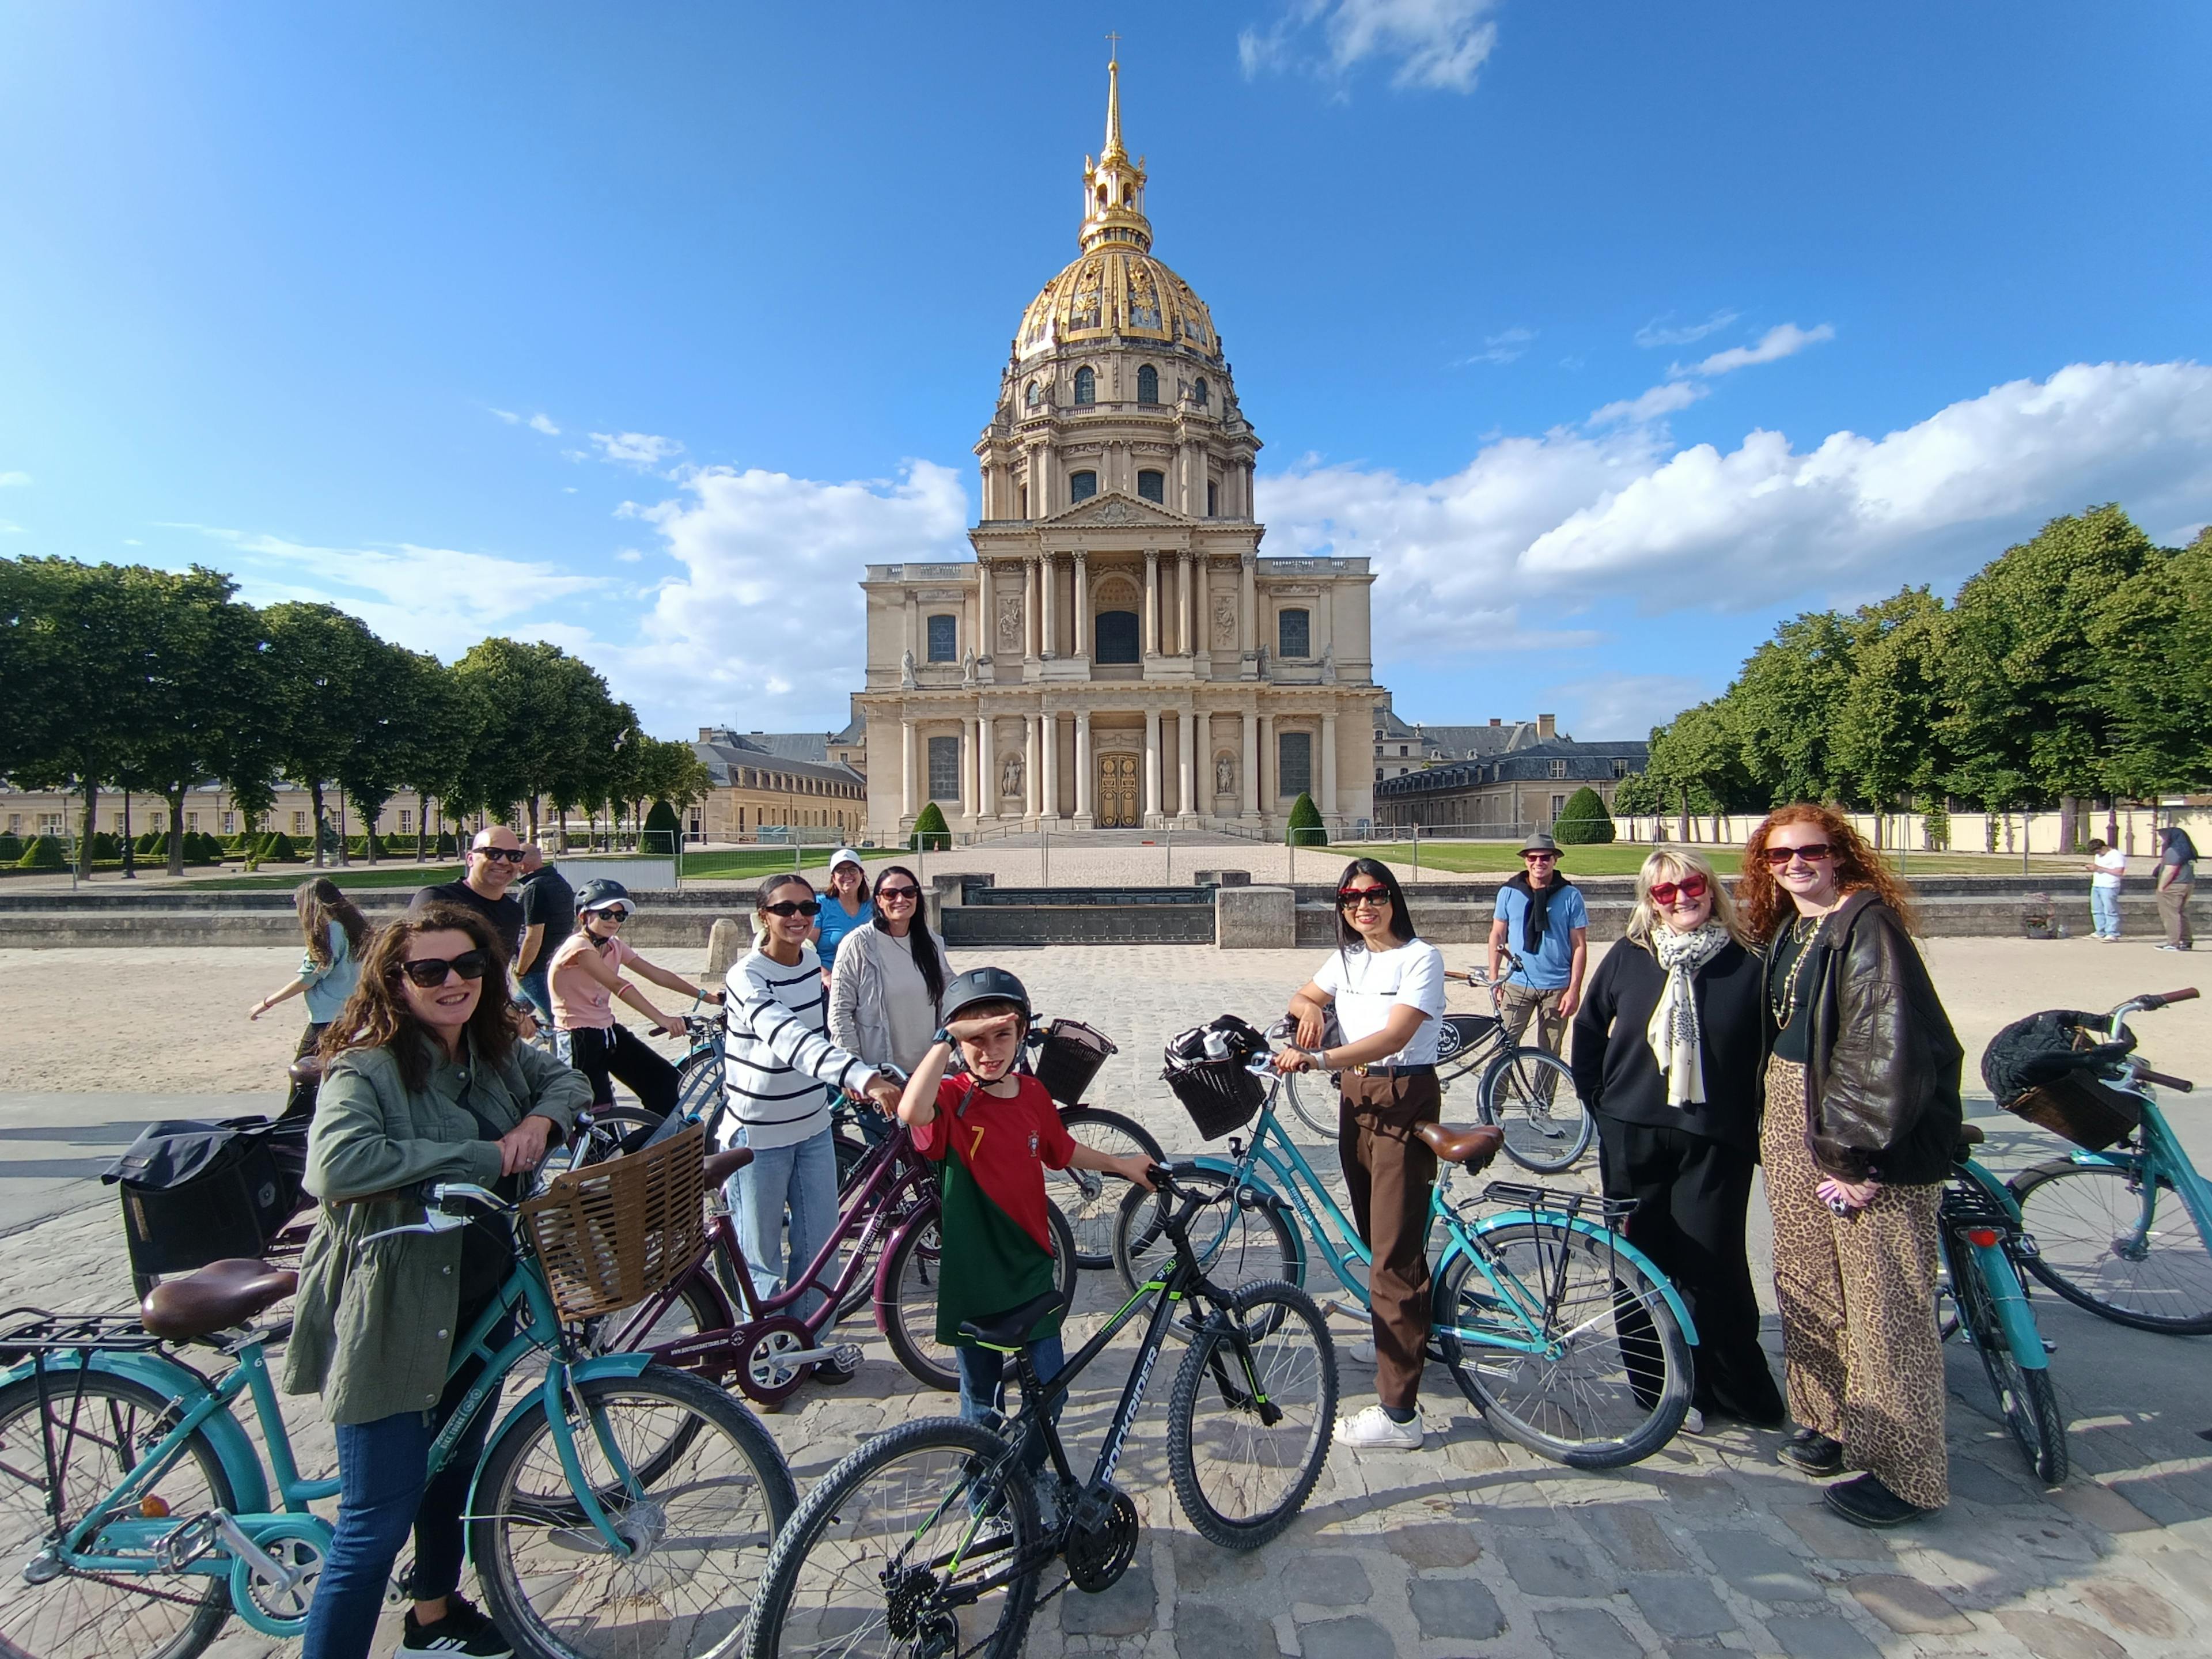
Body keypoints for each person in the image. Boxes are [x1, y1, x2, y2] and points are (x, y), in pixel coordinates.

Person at [283, 904, 588, 1659]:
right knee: (374, 1523)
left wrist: (538, 1128)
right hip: (391, 1297)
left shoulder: (492, 1052)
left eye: (470, 966)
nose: (454, 982)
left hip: (475, 1286)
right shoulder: (367, 1063)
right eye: (430, 971)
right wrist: (484, 1154)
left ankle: (434, 1612)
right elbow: (337, 1167)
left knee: (452, 1465)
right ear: (395, 980)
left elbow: (568, 1082)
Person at [1745, 804, 1963, 1529]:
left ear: (1840, 854)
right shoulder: (1794, 928)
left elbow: (1886, 1053)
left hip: (1856, 1131)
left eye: (1809, 851)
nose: (1794, 865)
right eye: (1779, 857)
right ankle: (1828, 1418)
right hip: (1790, 1111)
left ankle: (1906, 1472)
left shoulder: (1867, 926)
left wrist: (1857, 1155)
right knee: (1806, 1271)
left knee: (1883, 1300)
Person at [895, 967, 1152, 1480]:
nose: (989, 1050)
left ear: (1021, 1034)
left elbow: (1061, 1149)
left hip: (1032, 1267)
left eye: (1002, 1036)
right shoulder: (952, 1100)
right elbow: (910, 1109)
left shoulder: (1034, 1094)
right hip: (975, 1277)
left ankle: (1020, 1476)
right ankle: (985, 1498)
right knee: (981, 1406)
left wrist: (1122, 1165)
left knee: (1050, 1396)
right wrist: (946, 1040)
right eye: (975, 1039)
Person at [1570, 848, 1784, 1435]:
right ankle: (1658, 1387)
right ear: (1650, 901)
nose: (1682, 898)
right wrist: (1599, 1101)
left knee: (1712, 1263)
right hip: (1632, 1129)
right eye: (1665, 893)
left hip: (1715, 1134)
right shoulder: (1631, 956)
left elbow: (1772, 1051)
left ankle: (1733, 1387)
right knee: (1640, 1262)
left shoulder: (1749, 962)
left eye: (1692, 886)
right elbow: (1589, 1028)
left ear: (1712, 888)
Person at [1277, 858, 1446, 1450]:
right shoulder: (1349, 958)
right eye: (1350, 897)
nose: (1363, 906)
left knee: (1393, 1255)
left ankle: (1400, 1417)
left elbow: (1397, 1036)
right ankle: (1393, 1332)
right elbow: (1302, 994)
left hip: (1402, 1094)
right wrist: (1314, 1009)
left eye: (1374, 895)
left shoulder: (1420, 957)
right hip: (1358, 1097)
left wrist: (1321, 1058)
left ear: (1393, 899)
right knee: (1379, 1234)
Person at [723, 872, 903, 1380]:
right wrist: (860, 1076)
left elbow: (817, 1035)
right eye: (785, 909)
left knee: (820, 1249)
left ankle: (807, 1346)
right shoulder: (747, 977)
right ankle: (764, 1362)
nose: (799, 917)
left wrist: (852, 1069)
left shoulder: (805, 963)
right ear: (764, 915)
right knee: (762, 1260)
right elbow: (787, 1039)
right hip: (756, 1135)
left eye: (806, 906)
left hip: (811, 1125)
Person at [548, 878, 719, 1134]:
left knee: (663, 1080)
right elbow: (618, 985)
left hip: (607, 1031)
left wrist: (707, 997)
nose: (614, 921)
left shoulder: (613, 945)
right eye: (605, 914)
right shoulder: (578, 947)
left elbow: (657, 974)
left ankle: (658, 1148)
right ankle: (596, 1169)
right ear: (584, 915)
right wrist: (662, 1019)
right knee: (596, 1113)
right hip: (577, 1037)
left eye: (620, 916)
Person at [249, 877, 370, 1118]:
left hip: (328, 1018)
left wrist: (266, 1003)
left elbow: (309, 978)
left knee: (303, 1076)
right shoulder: (355, 927)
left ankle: (295, 1128)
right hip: (354, 1013)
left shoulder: (331, 930)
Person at [830, 862, 947, 1083]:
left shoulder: (930, 941)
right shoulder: (858, 944)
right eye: (890, 894)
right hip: (881, 1074)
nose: (900, 900)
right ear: (879, 901)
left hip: (930, 1073)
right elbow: (839, 1013)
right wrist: (854, 1072)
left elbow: (950, 997)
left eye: (909, 892)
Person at [1488, 830, 1589, 1052]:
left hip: (1556, 987)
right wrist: (1495, 979)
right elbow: (1497, 935)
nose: (1538, 863)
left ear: (1555, 860)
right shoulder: (1509, 892)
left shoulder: (1571, 896)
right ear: (1526, 860)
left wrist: (1574, 989)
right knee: (1503, 1047)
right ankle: (1496, 1089)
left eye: (1545, 857)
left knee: (1550, 1053)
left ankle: (1542, 1091)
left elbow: (1579, 946)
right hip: (1517, 983)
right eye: (1533, 858)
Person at [412, 827, 528, 961]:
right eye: (493, 853)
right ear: (470, 859)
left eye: (514, 856)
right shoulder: (437, 899)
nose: (504, 861)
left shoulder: (513, 912)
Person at [510, 841, 574, 1022]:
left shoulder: (534, 889)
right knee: (511, 1016)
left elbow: (533, 936)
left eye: (514, 859)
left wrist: (521, 971)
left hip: (535, 968)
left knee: (560, 1022)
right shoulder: (559, 882)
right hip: (553, 962)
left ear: (523, 865)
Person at [811, 849, 873, 984]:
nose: (847, 875)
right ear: (833, 877)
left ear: (861, 874)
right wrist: (825, 975)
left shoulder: (873, 906)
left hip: (866, 980)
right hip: (830, 981)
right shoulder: (820, 905)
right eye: (841, 871)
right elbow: (807, 948)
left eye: (852, 870)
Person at [2155, 825, 2196, 952]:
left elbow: (2170, 870)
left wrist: (2161, 887)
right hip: (2187, 884)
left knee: (2171, 915)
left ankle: (2173, 943)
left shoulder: (2173, 851)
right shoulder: (2188, 851)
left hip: (2173, 886)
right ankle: (2186, 941)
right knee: (2181, 913)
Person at [2088, 838, 2127, 942]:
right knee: (2097, 910)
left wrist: (2100, 868)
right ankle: (2100, 931)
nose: (2098, 854)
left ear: (2104, 847)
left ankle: (2112, 933)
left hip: (2110, 886)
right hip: (2097, 884)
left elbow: (2119, 871)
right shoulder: (2098, 856)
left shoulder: (2116, 855)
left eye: (2099, 851)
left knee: (2110, 910)